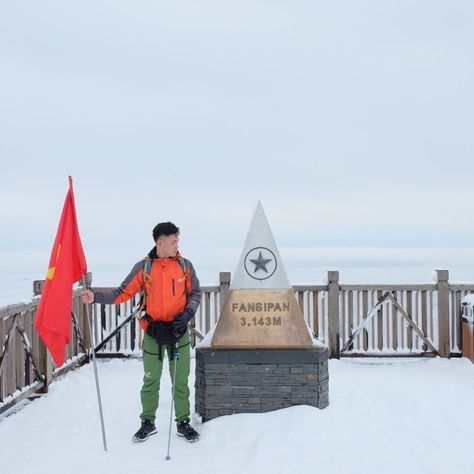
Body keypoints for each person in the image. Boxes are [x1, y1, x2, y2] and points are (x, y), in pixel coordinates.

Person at [80, 222, 201, 443]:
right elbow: (122, 293)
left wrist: (186, 316)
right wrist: (95, 297)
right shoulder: (143, 268)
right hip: (153, 332)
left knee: (180, 380)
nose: (176, 245)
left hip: (179, 333)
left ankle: (183, 423)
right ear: (160, 242)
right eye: (173, 241)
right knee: (150, 379)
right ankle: (148, 422)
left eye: (177, 241)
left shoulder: (186, 266)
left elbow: (196, 294)